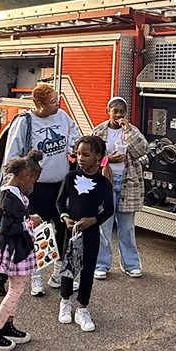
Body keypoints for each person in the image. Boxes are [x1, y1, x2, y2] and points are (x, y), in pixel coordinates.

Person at [1, 83, 80, 296]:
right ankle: (35, 278)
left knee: (64, 230)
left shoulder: (62, 117)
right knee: (36, 233)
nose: (58, 104)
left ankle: (59, 274)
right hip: (35, 188)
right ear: (39, 104)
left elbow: (74, 139)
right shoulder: (25, 122)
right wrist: (12, 187)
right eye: (53, 102)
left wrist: (78, 149)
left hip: (60, 186)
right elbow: (12, 157)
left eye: (57, 100)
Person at [0, 149, 42, 351]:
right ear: (25, 176)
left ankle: (7, 326)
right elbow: (9, 227)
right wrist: (29, 222)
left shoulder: (12, 192)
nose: (33, 185)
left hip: (17, 247)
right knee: (16, 290)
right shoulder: (9, 196)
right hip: (15, 249)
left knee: (15, 288)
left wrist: (26, 220)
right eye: (33, 181)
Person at [55, 135, 114, 334]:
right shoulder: (70, 178)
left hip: (90, 232)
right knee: (68, 267)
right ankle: (65, 301)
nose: (80, 158)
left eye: (86, 155)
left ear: (98, 158)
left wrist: (93, 221)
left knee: (88, 269)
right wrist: (65, 218)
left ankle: (82, 307)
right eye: (78, 153)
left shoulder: (104, 184)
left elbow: (108, 210)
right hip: (71, 231)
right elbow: (60, 202)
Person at [93, 97, 148, 280]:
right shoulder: (99, 131)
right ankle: (101, 265)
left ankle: (131, 265)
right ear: (108, 110)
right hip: (105, 184)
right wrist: (107, 159)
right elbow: (88, 158)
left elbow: (142, 150)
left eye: (122, 111)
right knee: (104, 227)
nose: (118, 115)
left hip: (127, 183)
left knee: (127, 228)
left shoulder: (131, 130)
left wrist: (128, 131)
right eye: (114, 110)